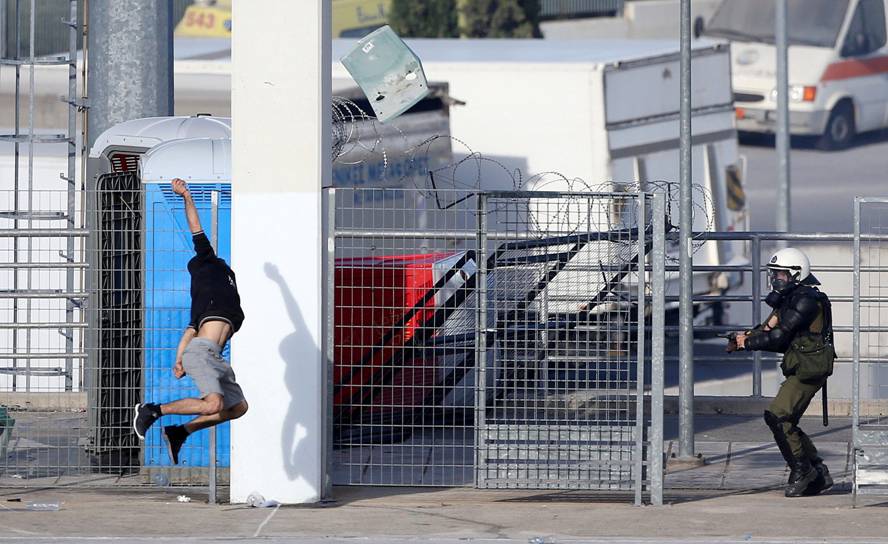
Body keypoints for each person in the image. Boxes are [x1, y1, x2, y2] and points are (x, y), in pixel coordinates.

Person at [132, 178, 248, 464]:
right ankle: (152, 411)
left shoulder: (221, 290)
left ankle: (180, 432)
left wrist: (178, 359)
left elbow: (190, 328)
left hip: (216, 358)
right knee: (214, 403)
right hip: (202, 352)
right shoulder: (207, 267)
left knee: (239, 407)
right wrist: (185, 194)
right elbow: (195, 226)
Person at [728, 247, 835, 497]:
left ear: (797, 275)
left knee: (777, 416)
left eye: (781, 275)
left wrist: (748, 343)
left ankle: (804, 471)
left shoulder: (806, 300)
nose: (776, 280)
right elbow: (769, 328)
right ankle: (817, 471)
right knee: (784, 419)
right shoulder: (791, 298)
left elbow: (779, 336)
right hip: (802, 364)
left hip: (811, 368)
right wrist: (745, 337)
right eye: (774, 275)